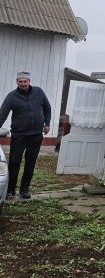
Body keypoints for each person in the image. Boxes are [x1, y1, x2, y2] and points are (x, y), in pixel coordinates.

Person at [0, 71, 51, 199]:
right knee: (14, 162)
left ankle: (24, 189)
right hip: (19, 135)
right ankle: (10, 190)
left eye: (25, 81)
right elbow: (3, 113)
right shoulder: (11, 96)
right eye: (20, 81)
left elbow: (47, 107)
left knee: (30, 162)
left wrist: (47, 123)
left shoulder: (39, 92)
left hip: (36, 134)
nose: (23, 84)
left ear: (29, 81)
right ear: (17, 82)